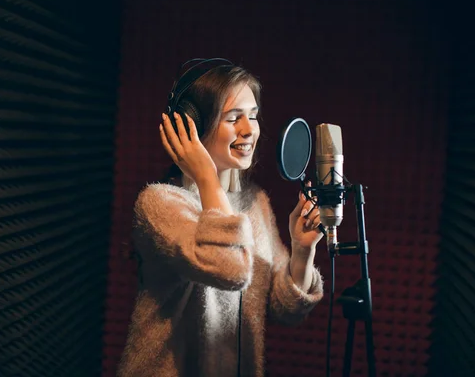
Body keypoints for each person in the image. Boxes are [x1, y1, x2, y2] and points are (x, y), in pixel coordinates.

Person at [117, 62, 324, 376]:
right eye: (233, 117)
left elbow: (286, 310)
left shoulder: (256, 204)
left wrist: (302, 249)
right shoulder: (160, 204)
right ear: (193, 125)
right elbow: (231, 269)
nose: (249, 129)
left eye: (252, 115)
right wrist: (205, 175)